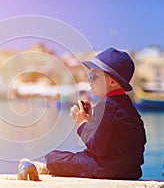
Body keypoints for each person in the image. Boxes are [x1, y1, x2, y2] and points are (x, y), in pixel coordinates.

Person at [44, 47, 147, 180]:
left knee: (52, 157)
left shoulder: (106, 105)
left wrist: (82, 123)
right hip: (130, 171)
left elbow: (97, 147)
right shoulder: (126, 105)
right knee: (73, 157)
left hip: (106, 169)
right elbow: (111, 137)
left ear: (112, 82)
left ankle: (45, 167)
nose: (89, 80)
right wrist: (92, 119)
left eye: (93, 76)